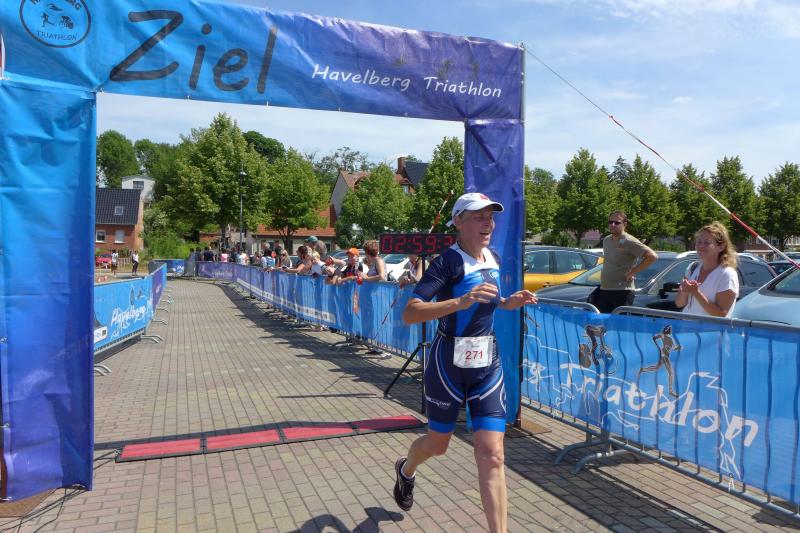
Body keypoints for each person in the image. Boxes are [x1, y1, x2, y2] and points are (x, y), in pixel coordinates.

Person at [392, 192, 537, 533]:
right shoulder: (447, 262)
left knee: (492, 453)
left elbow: (488, 300)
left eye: (491, 216)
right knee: (438, 444)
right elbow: (410, 313)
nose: (488, 223)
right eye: (478, 216)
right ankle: (406, 469)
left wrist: (508, 301)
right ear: (458, 221)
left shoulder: (493, 257)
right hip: (448, 364)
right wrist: (460, 301)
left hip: (487, 364)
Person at [589, 211, 658, 313]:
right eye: (610, 222)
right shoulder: (606, 240)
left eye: (617, 222)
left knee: (618, 321)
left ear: (624, 224)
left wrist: (633, 271)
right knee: (601, 321)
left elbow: (652, 256)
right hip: (605, 289)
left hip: (622, 291)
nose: (613, 225)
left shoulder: (629, 241)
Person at [675, 221, 739, 317]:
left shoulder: (727, 274)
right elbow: (679, 304)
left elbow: (721, 314)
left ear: (721, 247)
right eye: (699, 242)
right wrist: (684, 290)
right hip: (686, 325)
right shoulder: (692, 268)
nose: (701, 246)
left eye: (706, 243)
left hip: (709, 327)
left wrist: (696, 292)